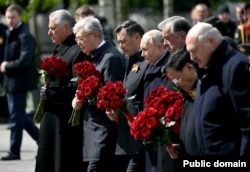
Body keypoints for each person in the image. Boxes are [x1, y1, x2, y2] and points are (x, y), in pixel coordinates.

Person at [186, 22, 250, 161]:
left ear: (211, 42)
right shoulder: (207, 66)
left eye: (194, 50)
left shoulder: (235, 66)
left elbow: (247, 124)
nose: (192, 57)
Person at [72, 16, 126, 172]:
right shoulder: (93, 56)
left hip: (104, 130)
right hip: (92, 130)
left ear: (95, 35)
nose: (78, 43)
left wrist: (86, 98)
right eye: (77, 39)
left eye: (81, 38)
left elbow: (112, 99)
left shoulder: (111, 58)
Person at [35, 9, 85, 172]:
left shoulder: (77, 50)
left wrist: (57, 92)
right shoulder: (60, 48)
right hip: (51, 115)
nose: (49, 32)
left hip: (63, 118)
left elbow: (79, 84)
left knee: (60, 160)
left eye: (53, 28)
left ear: (66, 28)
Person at [0, 4, 39, 160]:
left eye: (13, 17)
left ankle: (14, 151)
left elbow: (25, 60)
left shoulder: (25, 35)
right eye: (8, 17)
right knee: (20, 116)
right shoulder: (11, 33)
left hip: (19, 82)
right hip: (10, 81)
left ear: (20, 17)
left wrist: (6, 65)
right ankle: (42, 141)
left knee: (17, 118)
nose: (9, 20)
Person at [157, 16, 191, 172]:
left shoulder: (192, 64)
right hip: (171, 144)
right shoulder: (171, 61)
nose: (164, 43)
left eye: (167, 38)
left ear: (182, 36)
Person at [113, 19, 147, 172]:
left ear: (137, 37)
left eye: (124, 41)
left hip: (141, 135)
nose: (121, 46)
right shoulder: (129, 59)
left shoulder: (148, 60)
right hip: (127, 136)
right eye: (119, 42)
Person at [140, 29, 169, 172]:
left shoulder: (168, 67)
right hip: (150, 129)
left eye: (145, 49)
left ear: (159, 46)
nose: (142, 54)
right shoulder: (149, 65)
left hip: (163, 131)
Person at [163, 49, 200, 161]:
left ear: (189, 68)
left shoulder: (207, 94)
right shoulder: (188, 97)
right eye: (174, 81)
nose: (177, 83)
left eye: (177, 78)